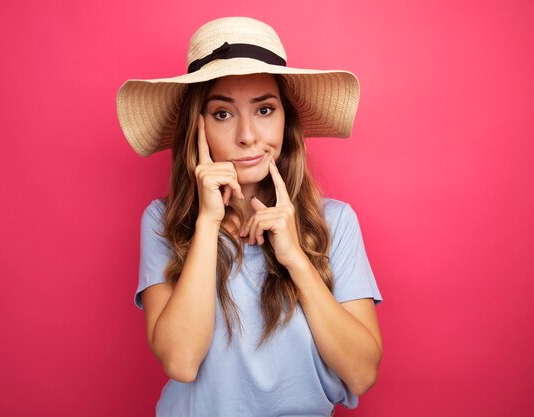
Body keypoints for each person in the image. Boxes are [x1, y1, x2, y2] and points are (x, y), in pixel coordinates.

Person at [116, 16, 383, 417]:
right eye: (223, 114)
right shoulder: (162, 221)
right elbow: (181, 361)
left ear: (285, 120)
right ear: (197, 128)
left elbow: (361, 374)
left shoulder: (336, 222)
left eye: (264, 109)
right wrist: (208, 224)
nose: (247, 135)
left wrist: (295, 258)